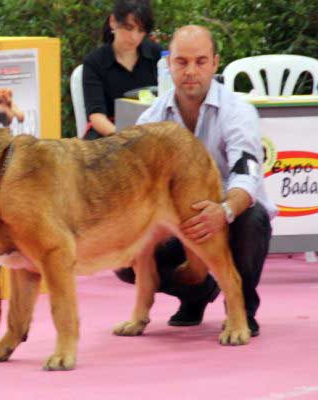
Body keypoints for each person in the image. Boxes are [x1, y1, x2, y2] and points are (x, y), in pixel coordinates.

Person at [115, 25, 277, 337]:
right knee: (125, 255)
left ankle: (241, 309)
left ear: (215, 63)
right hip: (177, 222)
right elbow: (137, 186)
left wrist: (224, 211)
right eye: (182, 62)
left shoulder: (238, 112)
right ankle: (194, 296)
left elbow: (248, 174)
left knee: (251, 218)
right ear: (168, 65)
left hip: (228, 213)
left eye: (200, 62)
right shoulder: (151, 119)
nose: (191, 71)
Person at [81, 0, 161, 140]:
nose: (134, 37)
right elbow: (97, 116)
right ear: (113, 21)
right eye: (129, 28)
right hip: (109, 134)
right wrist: (125, 139)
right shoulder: (94, 62)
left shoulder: (156, 55)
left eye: (140, 31)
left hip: (151, 132)